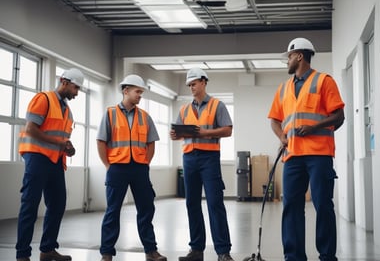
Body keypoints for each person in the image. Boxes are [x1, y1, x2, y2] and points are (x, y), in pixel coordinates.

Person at [268, 37, 345, 261]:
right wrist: (282, 135)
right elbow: (274, 119)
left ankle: (327, 256)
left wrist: (315, 126)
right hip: (292, 156)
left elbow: (339, 116)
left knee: (323, 205)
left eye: (289, 57)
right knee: (291, 206)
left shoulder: (324, 81)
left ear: (299, 56)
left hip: (319, 154)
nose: (287, 61)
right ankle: (294, 257)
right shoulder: (283, 89)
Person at [16, 68, 85, 261]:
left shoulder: (67, 111)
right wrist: (58, 143)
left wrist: (68, 148)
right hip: (37, 157)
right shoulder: (43, 99)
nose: (76, 93)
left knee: (57, 204)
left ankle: (47, 249)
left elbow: (59, 138)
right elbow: (31, 129)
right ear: (64, 81)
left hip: (55, 160)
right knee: (30, 204)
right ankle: (22, 254)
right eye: (75, 87)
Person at [96, 74, 167, 261]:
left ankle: (151, 251)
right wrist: (108, 165)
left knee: (146, 209)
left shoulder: (145, 116)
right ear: (125, 90)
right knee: (113, 211)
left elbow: (151, 143)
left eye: (141, 93)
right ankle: (106, 253)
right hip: (117, 168)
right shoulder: (110, 114)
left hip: (139, 168)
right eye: (137, 92)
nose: (139, 96)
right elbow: (101, 141)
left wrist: (145, 162)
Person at [170, 68, 235, 261]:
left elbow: (228, 130)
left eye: (194, 83)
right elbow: (178, 133)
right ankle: (196, 250)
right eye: (189, 85)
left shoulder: (217, 105)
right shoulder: (183, 109)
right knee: (192, 204)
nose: (192, 87)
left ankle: (223, 252)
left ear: (204, 82)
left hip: (209, 159)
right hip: (189, 159)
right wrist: (175, 135)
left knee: (215, 204)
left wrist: (204, 133)